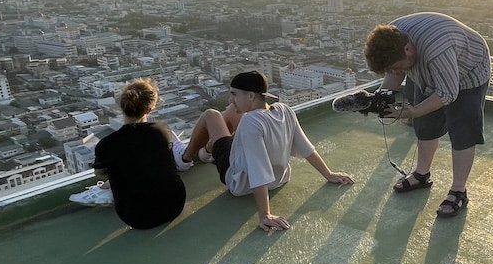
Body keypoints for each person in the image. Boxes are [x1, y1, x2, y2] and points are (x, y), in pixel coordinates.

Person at [181, 70, 354, 232]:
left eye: (234, 94)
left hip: (239, 183)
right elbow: (306, 148)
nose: (230, 99)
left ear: (250, 95)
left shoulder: (250, 122)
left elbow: (258, 168)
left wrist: (265, 214)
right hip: (279, 179)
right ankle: (209, 149)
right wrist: (329, 174)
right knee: (232, 113)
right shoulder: (285, 110)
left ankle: (185, 158)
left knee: (212, 115)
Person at [363, 12, 491, 218]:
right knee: (425, 125)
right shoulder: (392, 37)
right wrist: (378, 100)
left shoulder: (437, 47)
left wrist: (413, 111)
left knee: (462, 132)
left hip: (468, 71)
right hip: (426, 69)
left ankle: (459, 190)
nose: (397, 72)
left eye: (398, 67)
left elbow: (447, 93)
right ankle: (422, 174)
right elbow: (395, 73)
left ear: (408, 49)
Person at [75, 77, 191, 230]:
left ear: (121, 106)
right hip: (175, 205)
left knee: (118, 166)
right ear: (150, 109)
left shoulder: (107, 144)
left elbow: (99, 173)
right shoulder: (162, 132)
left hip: (136, 217)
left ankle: (104, 191)